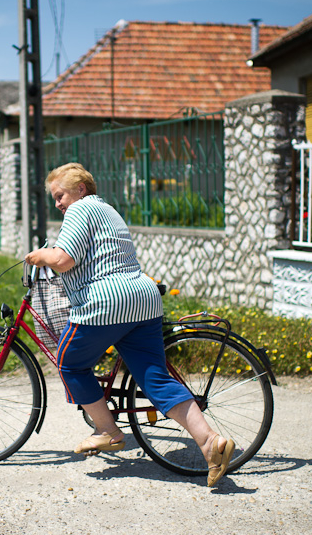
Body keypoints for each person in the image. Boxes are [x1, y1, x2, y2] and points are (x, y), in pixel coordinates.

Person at [24, 163, 235, 487]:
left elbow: (65, 259)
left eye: (60, 195)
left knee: (69, 364)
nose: (58, 204)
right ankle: (210, 443)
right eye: (55, 198)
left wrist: (41, 255)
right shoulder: (108, 210)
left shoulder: (80, 210)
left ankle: (107, 431)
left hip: (106, 304)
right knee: (155, 379)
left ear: (80, 189)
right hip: (143, 300)